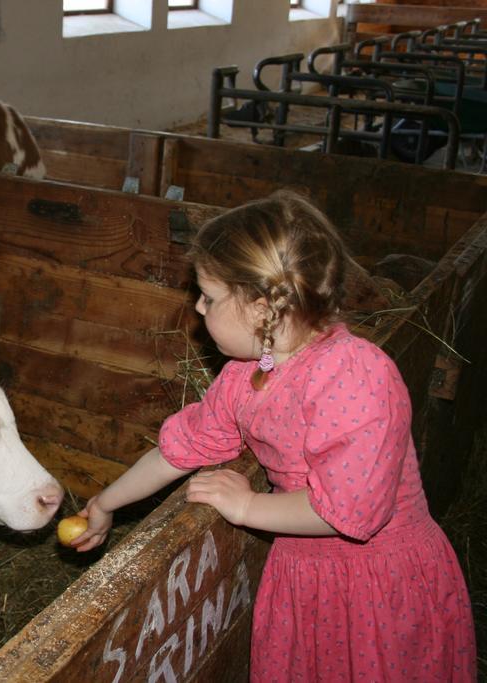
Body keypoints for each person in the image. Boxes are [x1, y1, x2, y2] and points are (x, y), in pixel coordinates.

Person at [72, 190, 476, 681]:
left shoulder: (355, 376)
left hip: (377, 587)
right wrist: (107, 503)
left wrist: (247, 509)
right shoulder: (245, 376)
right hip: (305, 580)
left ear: (262, 309)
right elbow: (181, 449)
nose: (198, 308)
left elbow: (351, 512)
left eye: (209, 295)